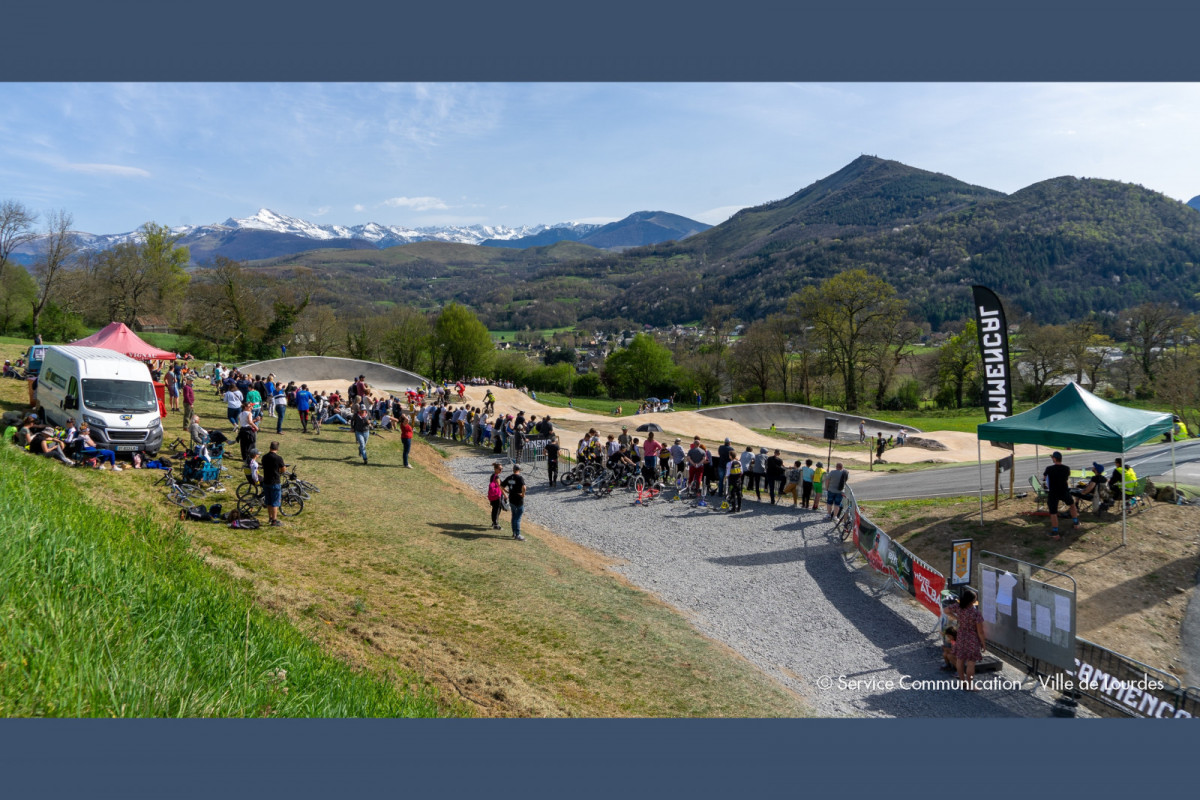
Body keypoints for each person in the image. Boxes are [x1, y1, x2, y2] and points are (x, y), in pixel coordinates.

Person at [953, 589, 986, 690]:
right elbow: (980, 632)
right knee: (971, 663)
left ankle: (962, 683)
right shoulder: (976, 613)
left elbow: (946, 610)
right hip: (972, 639)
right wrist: (983, 644)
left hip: (961, 636)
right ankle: (970, 685)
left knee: (960, 660)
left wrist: (956, 618)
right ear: (972, 601)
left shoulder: (958, 607)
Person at [1042, 450, 1079, 540]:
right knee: (1072, 505)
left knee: (1053, 512)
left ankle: (1055, 532)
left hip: (1053, 492)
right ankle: (1076, 523)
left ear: (1054, 459)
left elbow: (1044, 479)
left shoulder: (1049, 468)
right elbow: (1067, 478)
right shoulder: (1066, 468)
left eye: (1052, 458)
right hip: (1064, 491)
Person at [261, 440, 285, 527]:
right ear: (277, 448)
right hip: (275, 482)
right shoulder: (278, 458)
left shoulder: (264, 457)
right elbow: (283, 469)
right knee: (275, 502)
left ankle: (270, 518)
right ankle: (274, 521)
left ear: (270, 447)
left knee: (269, 501)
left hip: (266, 481)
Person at [501, 463, 527, 541]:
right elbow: (524, 487)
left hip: (511, 498)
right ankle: (518, 534)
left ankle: (514, 532)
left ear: (513, 469)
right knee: (518, 517)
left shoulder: (509, 477)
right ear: (519, 470)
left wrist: (507, 491)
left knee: (514, 516)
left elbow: (501, 486)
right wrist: (523, 494)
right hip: (518, 499)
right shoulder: (520, 478)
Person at [487, 462, 505, 529]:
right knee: (497, 509)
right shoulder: (496, 477)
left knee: (495, 508)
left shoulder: (493, 475)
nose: (501, 470)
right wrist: (505, 494)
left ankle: (494, 522)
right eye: (500, 469)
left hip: (493, 495)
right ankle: (495, 524)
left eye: (502, 469)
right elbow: (500, 487)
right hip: (497, 495)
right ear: (495, 469)